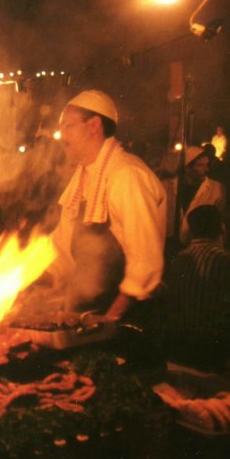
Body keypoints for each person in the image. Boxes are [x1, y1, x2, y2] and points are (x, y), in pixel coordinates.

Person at [49, 90, 166, 323]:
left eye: (68, 126)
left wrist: (109, 321)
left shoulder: (126, 175)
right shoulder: (82, 178)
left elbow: (145, 263)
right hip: (89, 317)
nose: (61, 136)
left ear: (93, 126)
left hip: (125, 320)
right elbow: (61, 248)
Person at [163, 206, 230, 370]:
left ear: (190, 230)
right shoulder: (228, 261)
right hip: (210, 350)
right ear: (223, 228)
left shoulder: (179, 259)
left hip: (176, 345)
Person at [162, 145, 226, 246]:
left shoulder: (216, 188)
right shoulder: (166, 187)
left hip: (197, 246)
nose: (207, 169)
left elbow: (220, 222)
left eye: (207, 164)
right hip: (169, 243)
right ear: (187, 168)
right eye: (201, 165)